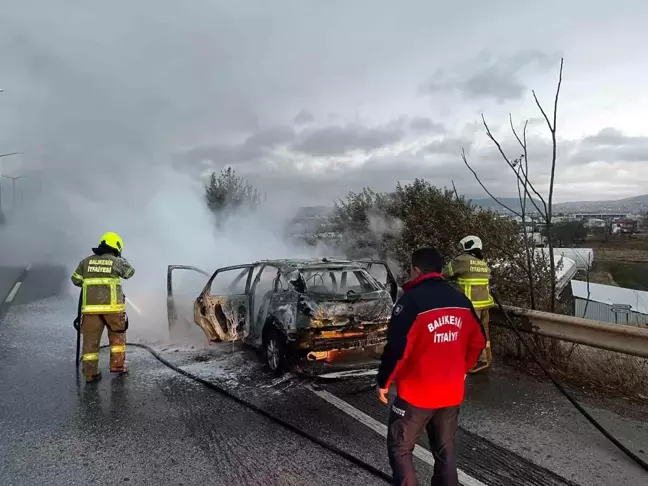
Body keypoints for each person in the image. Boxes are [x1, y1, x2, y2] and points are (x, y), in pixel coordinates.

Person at [376, 246, 486, 486]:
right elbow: (479, 340)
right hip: (451, 393)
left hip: (416, 395)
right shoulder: (460, 299)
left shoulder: (410, 302)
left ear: (416, 270)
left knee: (401, 448)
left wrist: (383, 382)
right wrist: (463, 369)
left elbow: (397, 349)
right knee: (445, 452)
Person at [71, 232, 135, 383]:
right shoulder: (116, 261)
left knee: (90, 342)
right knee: (117, 338)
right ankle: (118, 366)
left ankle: (90, 374)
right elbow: (130, 273)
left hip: (91, 311)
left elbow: (75, 280)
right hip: (113, 310)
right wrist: (121, 259)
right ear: (116, 247)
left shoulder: (86, 262)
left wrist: (91, 284)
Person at [442, 235, 494, 373]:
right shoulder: (482, 263)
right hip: (485, 304)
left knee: (467, 334)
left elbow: (444, 274)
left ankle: (469, 362)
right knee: (484, 332)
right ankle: (485, 359)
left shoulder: (462, 260)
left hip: (471, 305)